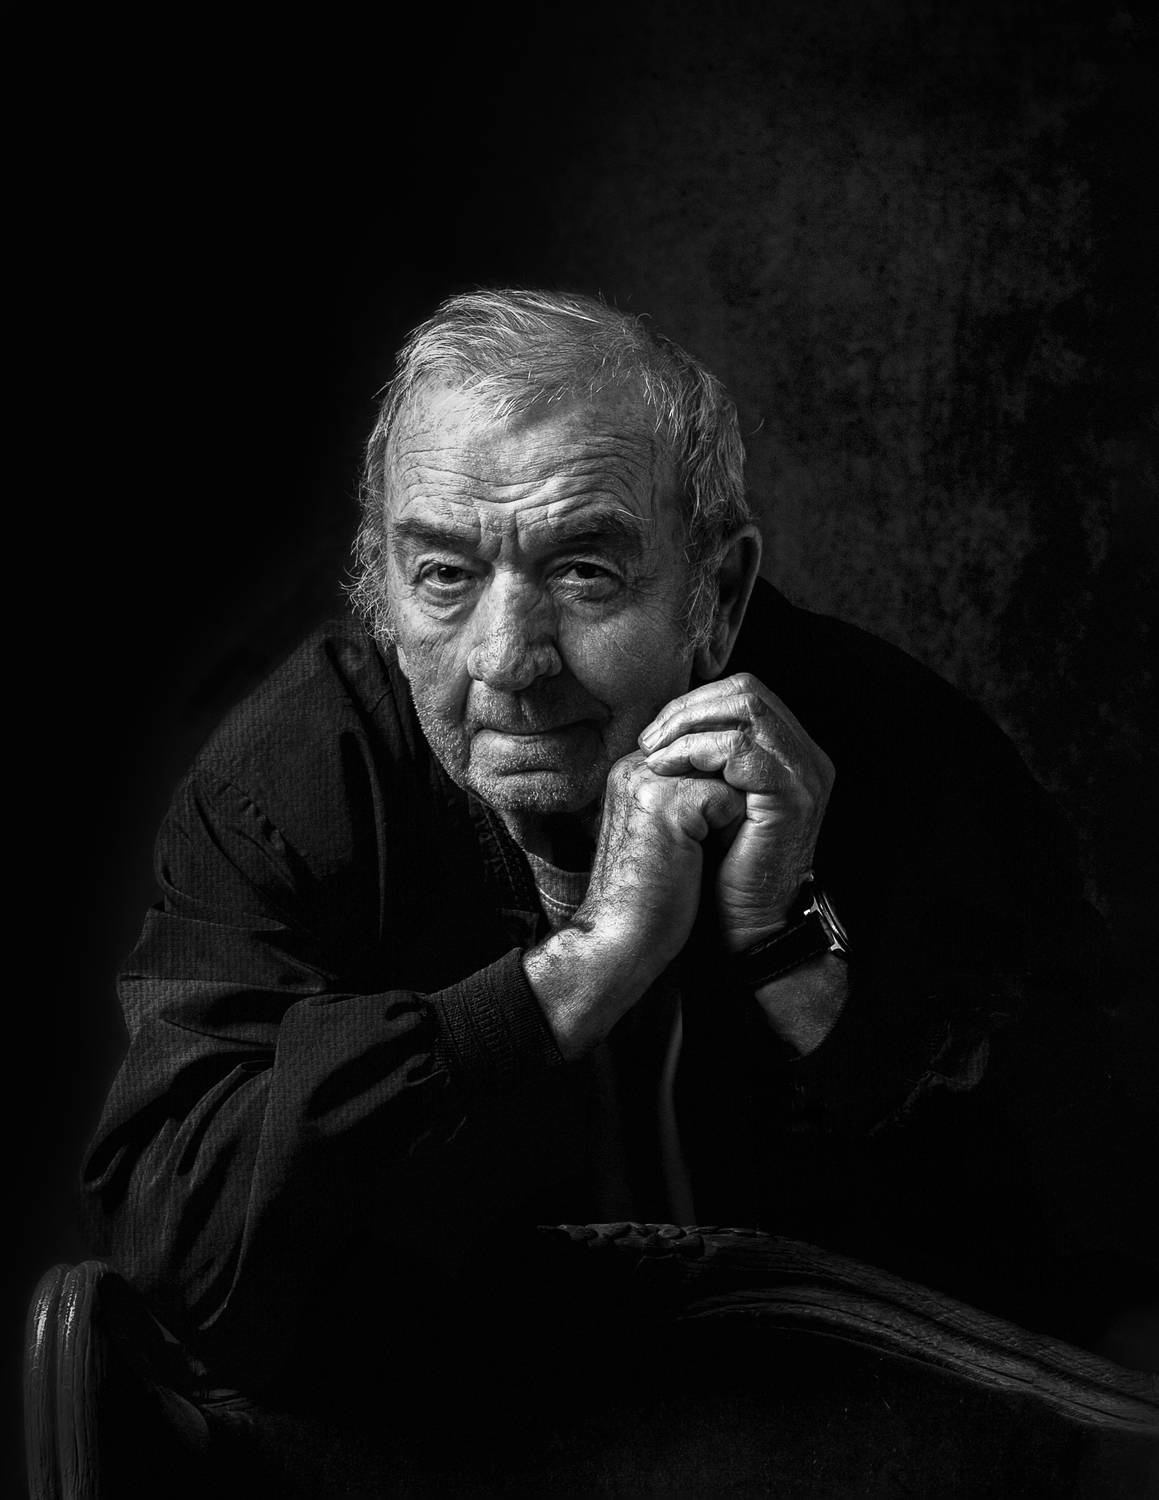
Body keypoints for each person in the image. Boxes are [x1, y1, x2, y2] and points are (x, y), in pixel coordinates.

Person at [82, 290, 1150, 1455]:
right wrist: (576, 972)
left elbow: (1095, 1247)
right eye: (442, 575)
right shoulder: (284, 781)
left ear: (717, 595)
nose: (508, 660)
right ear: (379, 589)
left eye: (584, 572)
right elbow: (181, 1254)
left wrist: (792, 961)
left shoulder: (910, 756)